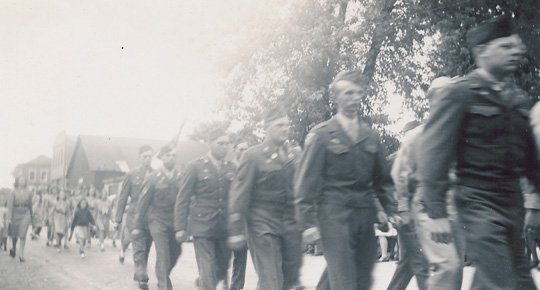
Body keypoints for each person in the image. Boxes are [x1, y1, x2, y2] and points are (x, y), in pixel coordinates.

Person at [417, 15, 539, 290]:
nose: (515, 53)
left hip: (512, 205)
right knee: (504, 281)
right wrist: (435, 211)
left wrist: (536, 201)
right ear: (482, 51)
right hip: (478, 205)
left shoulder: (518, 99)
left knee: (518, 281)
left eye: (515, 47)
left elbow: (531, 160)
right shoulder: (459, 94)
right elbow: (433, 154)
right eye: (505, 47)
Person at [294, 70, 397, 290]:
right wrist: (308, 223)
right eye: (349, 93)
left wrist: (390, 209)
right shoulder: (322, 136)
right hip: (334, 217)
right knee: (344, 280)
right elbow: (305, 183)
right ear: (336, 98)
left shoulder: (371, 136)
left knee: (362, 280)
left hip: (364, 217)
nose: (355, 98)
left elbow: (383, 181)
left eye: (359, 93)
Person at [228, 106, 303, 290]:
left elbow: (301, 189)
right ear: (266, 128)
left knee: (288, 281)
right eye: (279, 125)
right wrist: (237, 229)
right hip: (262, 226)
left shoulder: (293, 155)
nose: (285, 128)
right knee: (271, 280)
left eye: (287, 124)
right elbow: (240, 194)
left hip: (290, 226)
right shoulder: (253, 155)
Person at [175, 130, 235, 290]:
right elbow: (183, 198)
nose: (224, 147)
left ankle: (204, 283)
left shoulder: (232, 167)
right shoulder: (195, 166)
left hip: (225, 227)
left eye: (227, 144)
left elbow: (237, 197)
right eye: (220, 144)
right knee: (207, 269)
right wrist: (180, 227)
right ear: (210, 144)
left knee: (222, 269)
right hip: (203, 226)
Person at [134, 144, 182, 290]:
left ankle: (163, 274)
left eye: (174, 155)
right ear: (161, 158)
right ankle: (164, 285)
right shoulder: (153, 178)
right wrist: (137, 226)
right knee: (163, 253)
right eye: (168, 155)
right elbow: (142, 203)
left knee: (176, 252)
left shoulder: (180, 176)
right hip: (157, 220)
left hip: (174, 221)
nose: (171, 158)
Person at [113, 145, 154, 288]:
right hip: (134, 217)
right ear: (139, 158)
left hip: (150, 218)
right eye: (145, 156)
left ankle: (139, 273)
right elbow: (122, 198)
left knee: (146, 248)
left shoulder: (156, 174)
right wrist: (117, 219)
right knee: (138, 248)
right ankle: (142, 278)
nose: (148, 159)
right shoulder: (131, 175)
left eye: (150, 156)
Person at [230, 139, 249, 290]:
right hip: (224, 218)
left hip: (242, 220)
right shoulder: (227, 167)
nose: (243, 152)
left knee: (240, 256)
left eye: (246, 149)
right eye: (240, 149)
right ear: (234, 150)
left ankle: (236, 287)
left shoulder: (250, 168)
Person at [7, 177, 34, 262]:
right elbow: (10, 205)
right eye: (20, 180)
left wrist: (32, 216)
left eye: (23, 180)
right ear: (17, 182)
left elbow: (30, 204)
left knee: (23, 235)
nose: (22, 182)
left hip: (25, 214)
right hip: (15, 213)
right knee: (14, 236)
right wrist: (9, 218)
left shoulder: (29, 192)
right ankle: (14, 248)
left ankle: (21, 254)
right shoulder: (13, 192)